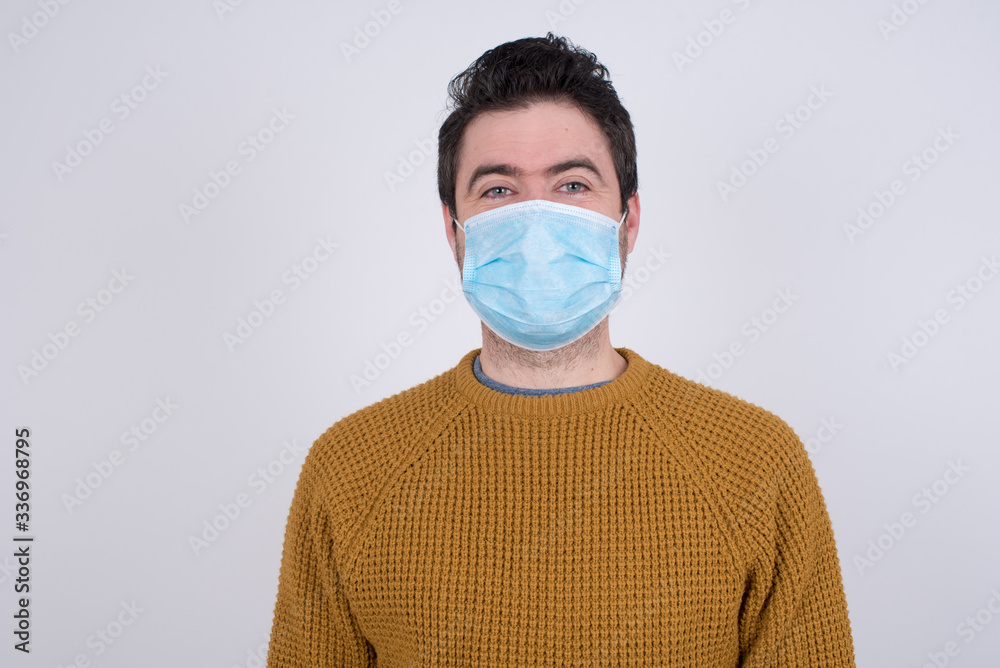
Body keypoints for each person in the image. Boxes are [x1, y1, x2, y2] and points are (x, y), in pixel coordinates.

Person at [266, 33, 857, 667]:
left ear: (627, 223)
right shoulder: (352, 469)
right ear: (453, 230)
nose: (537, 220)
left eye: (572, 185)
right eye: (499, 191)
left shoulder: (756, 464)